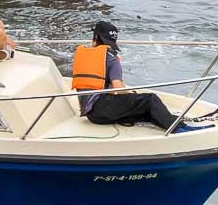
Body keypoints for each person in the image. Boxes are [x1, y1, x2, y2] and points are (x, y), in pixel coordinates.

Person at [74, 21, 204, 132]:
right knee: (150, 99)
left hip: (92, 115)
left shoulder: (83, 55)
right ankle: (177, 128)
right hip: (103, 110)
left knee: (144, 110)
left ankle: (174, 123)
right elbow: (118, 87)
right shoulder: (111, 58)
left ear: (95, 37)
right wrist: (131, 93)